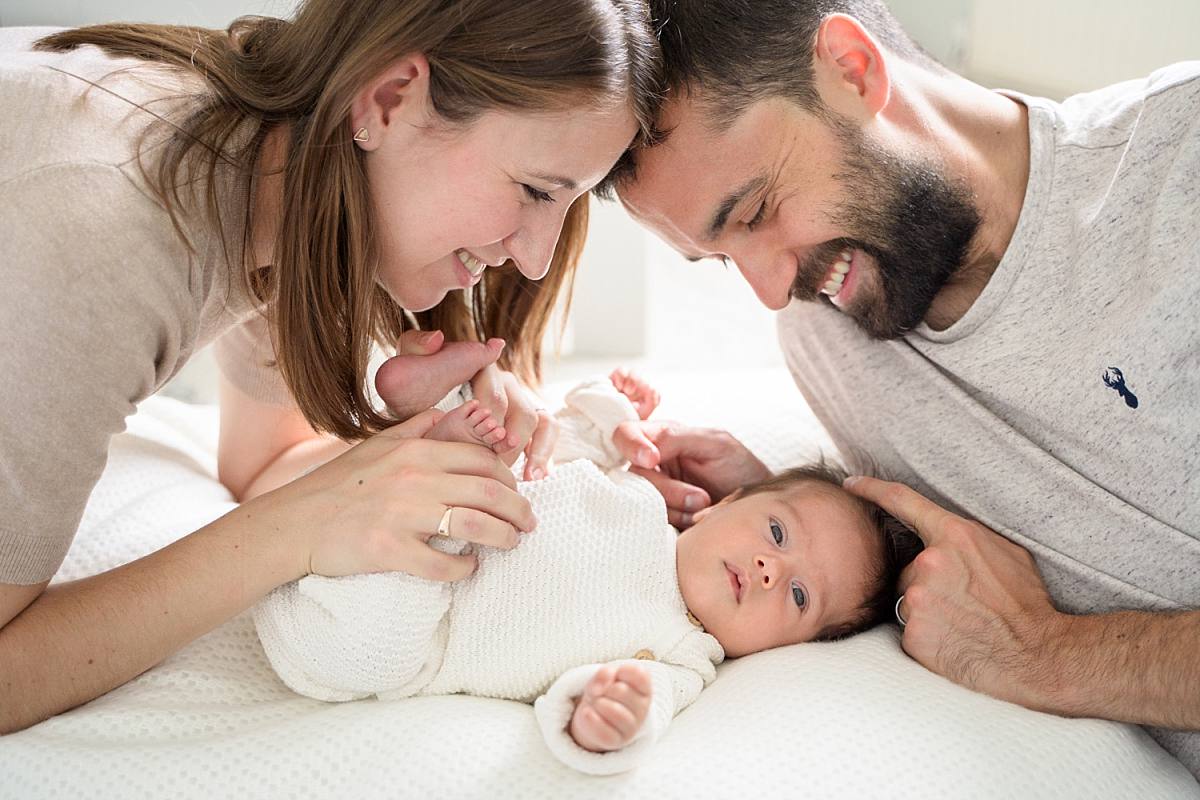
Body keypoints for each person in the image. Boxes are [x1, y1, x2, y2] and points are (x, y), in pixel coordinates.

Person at [0, 0, 662, 734]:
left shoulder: (275, 181)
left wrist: (429, 443)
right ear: (389, 99)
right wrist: (297, 527)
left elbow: (264, 461)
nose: (536, 259)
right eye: (536, 190)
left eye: (569, 204)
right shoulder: (99, 227)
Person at [603, 0, 1200, 776]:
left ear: (852, 70)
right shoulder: (825, 337)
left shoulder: (1179, 166)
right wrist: (785, 509)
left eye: (756, 211)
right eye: (719, 257)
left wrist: (1053, 654)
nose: (772, 292)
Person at [252, 372, 921, 774]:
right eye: (777, 533)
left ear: (791, 647)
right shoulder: (636, 491)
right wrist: (618, 414)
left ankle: (435, 453)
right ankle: (425, 404)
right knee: (491, 441)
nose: (771, 569)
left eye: (800, 595)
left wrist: (610, 720)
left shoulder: (683, 656)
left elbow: (631, 703)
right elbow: (565, 426)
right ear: (729, 500)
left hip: (390, 633)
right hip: (381, 513)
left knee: (378, 645)